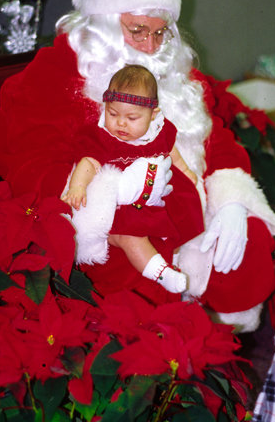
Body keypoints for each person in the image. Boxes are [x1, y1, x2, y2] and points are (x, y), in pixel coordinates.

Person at [0, 0, 275, 330]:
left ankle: (211, 358)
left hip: (184, 211)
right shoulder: (52, 76)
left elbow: (217, 140)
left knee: (250, 238)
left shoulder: (171, 71)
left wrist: (231, 203)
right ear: (104, 23)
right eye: (138, 31)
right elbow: (31, 168)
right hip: (109, 228)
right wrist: (113, 197)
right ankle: (159, 372)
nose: (150, 47)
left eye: (160, 33)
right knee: (140, 287)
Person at [62, 64, 204, 294]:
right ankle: (161, 273)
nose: (121, 124)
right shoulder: (103, 138)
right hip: (124, 209)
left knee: (180, 220)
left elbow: (170, 151)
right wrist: (77, 186)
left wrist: (184, 170)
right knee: (130, 238)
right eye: (113, 113)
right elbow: (88, 163)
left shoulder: (159, 131)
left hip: (157, 201)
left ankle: (175, 258)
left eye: (132, 117)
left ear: (153, 115)